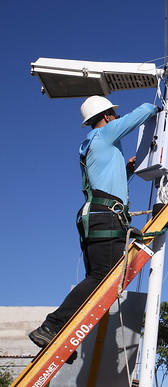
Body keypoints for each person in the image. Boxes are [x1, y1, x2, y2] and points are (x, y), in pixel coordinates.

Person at [29, 95, 159, 348]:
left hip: (96, 214)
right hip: (104, 216)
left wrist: (127, 171)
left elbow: (106, 184)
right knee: (101, 277)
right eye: (115, 116)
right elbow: (138, 115)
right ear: (107, 117)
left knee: (95, 280)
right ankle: (51, 326)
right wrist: (156, 106)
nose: (117, 120)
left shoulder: (92, 145)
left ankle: (61, 335)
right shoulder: (105, 135)